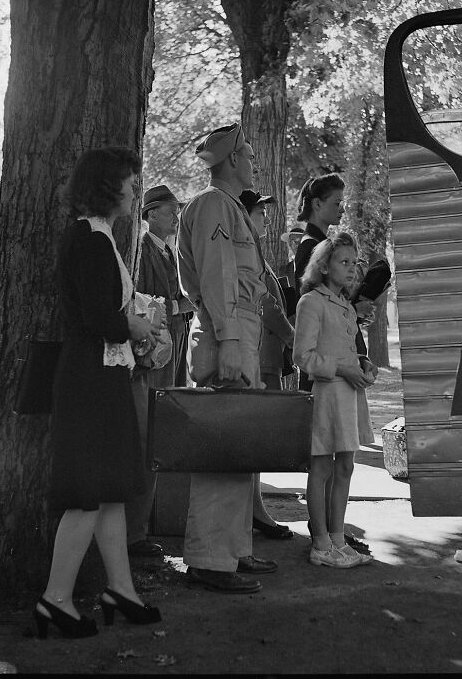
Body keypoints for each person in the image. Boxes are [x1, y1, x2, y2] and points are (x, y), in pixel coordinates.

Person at [35, 147, 163, 639]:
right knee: (88, 495)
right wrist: (136, 325)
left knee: (109, 493)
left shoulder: (98, 236)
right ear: (109, 185)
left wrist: (131, 323)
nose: (135, 187)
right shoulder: (90, 240)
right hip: (89, 378)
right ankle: (55, 600)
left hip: (100, 376)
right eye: (130, 180)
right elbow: (96, 319)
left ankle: (121, 591)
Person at [177, 122, 278, 594]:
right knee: (221, 450)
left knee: (238, 448)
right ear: (233, 159)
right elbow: (217, 279)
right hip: (226, 339)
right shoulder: (214, 205)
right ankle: (209, 559)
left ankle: (234, 550)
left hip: (238, 336)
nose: (255, 160)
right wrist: (232, 341)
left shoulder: (230, 208)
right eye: (250, 154)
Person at [292, 174, 374, 553]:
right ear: (324, 265)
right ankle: (321, 542)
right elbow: (304, 356)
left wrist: (363, 364)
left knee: (346, 467)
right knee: (322, 467)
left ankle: (338, 538)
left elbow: (346, 348)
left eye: (355, 264)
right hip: (325, 394)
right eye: (344, 262)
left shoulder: (343, 304)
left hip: (348, 396)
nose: (352, 270)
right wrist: (342, 369)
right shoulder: (311, 302)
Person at [124, 184, 194, 558]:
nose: (175, 218)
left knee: (159, 435)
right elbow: (144, 301)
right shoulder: (142, 248)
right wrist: (183, 304)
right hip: (150, 356)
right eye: (169, 212)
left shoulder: (170, 250)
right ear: (150, 214)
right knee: (144, 435)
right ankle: (134, 532)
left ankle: (146, 525)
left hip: (172, 354)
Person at [240, 189, 295, 541]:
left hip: (266, 358)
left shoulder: (255, 250)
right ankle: (254, 512)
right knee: (254, 442)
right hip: (260, 359)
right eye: (259, 211)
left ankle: (255, 509)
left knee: (257, 441)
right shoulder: (248, 252)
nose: (266, 217)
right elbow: (265, 304)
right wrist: (291, 334)